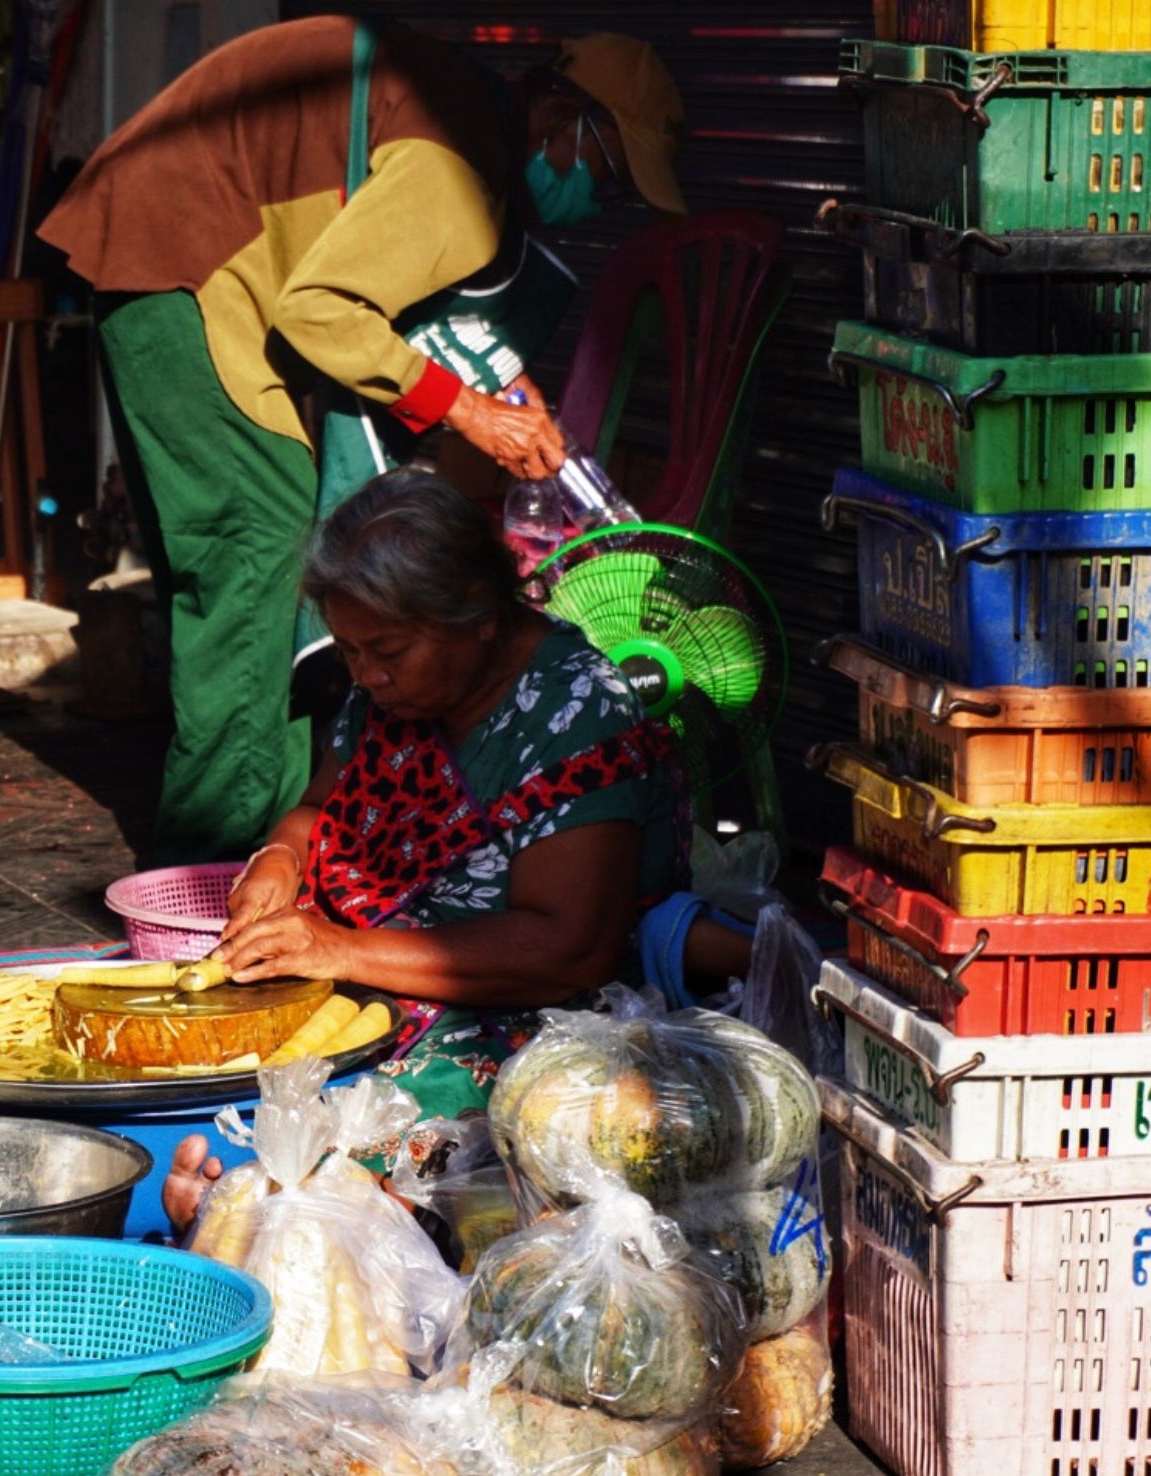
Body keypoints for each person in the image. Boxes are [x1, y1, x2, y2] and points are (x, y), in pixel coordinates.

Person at [38, 19, 687, 864]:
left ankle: (274, 851)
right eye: (611, 172)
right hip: (189, 264)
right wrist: (471, 414)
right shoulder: (459, 163)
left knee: (261, 575)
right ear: (564, 122)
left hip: (177, 250)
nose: (604, 200)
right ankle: (211, 875)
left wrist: (499, 390)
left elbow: (399, 300)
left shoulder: (471, 127)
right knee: (259, 549)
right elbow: (320, 310)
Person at [161, 471, 684, 1227]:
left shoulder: (576, 709)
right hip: (370, 968)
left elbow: (568, 948)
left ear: (476, 616)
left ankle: (256, 1207)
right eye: (349, 652)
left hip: (526, 1007)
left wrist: (338, 949)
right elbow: (316, 810)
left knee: (364, 1143)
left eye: (388, 651)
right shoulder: (391, 695)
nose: (367, 676)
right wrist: (277, 859)